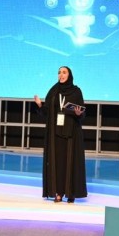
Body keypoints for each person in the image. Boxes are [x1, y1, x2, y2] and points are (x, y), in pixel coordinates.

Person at [34, 66, 88, 203]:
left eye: (64, 72)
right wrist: (40, 105)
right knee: (58, 163)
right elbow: (47, 112)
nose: (61, 75)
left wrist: (78, 113)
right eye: (59, 73)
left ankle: (71, 193)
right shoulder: (54, 91)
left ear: (69, 75)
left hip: (72, 133)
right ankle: (58, 193)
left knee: (71, 162)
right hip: (55, 133)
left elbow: (82, 113)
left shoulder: (76, 91)